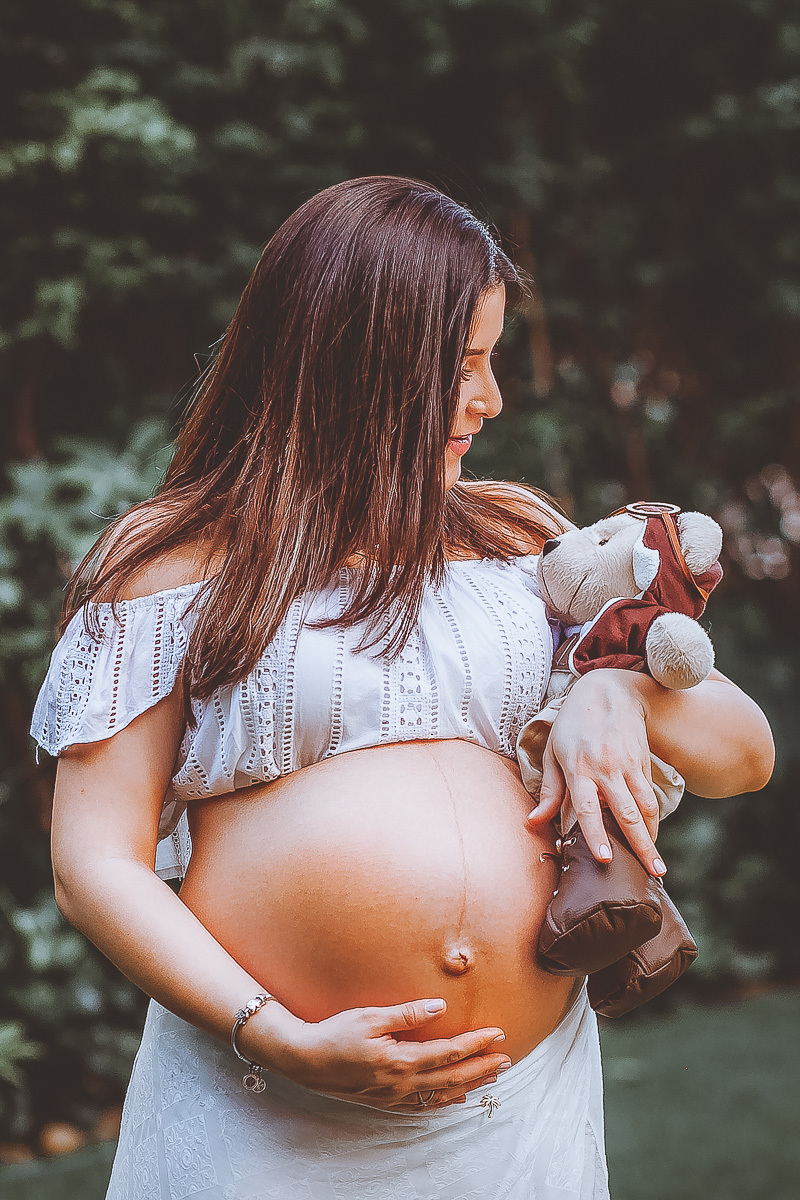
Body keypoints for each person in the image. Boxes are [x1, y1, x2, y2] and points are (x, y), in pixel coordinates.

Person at [29, 175, 774, 1199]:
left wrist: (615, 691)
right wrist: (279, 1035)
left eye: (491, 359)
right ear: (352, 362)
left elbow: (743, 756)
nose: (490, 399)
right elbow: (93, 863)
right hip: (265, 1121)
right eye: (461, 365)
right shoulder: (169, 567)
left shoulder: (519, 540)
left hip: (516, 1130)